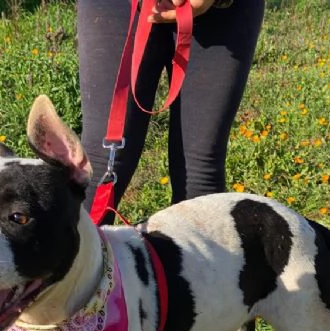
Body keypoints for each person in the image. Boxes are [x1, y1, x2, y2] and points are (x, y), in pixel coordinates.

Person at [77, 0, 265, 221]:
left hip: (223, 11)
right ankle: (78, 253)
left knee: (199, 172)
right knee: (103, 158)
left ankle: (199, 254)